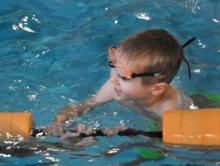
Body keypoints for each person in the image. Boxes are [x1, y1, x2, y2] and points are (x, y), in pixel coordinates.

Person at [43, 29, 197, 137]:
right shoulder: (114, 87)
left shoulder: (169, 109)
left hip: (199, 106)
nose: (113, 78)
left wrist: (132, 133)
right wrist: (58, 123)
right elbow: (80, 108)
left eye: (123, 76)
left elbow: (165, 144)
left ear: (156, 89)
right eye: (114, 67)